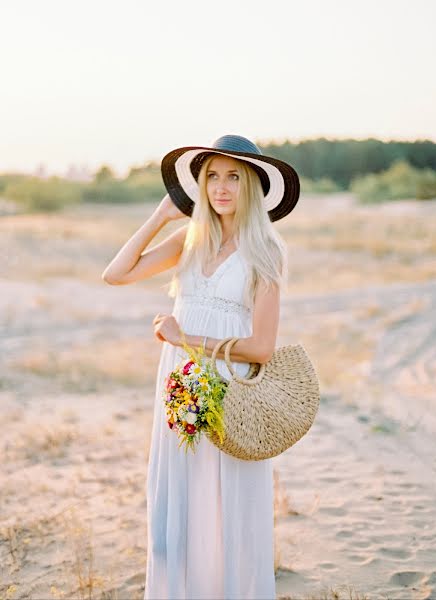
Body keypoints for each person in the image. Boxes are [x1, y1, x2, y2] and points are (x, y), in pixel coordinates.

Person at [102, 134, 301, 599]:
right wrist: (162, 214)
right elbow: (116, 274)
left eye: (234, 176)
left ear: (252, 185)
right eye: (212, 176)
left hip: (232, 394)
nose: (221, 187)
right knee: (178, 502)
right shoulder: (190, 239)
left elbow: (261, 347)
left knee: (227, 506)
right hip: (182, 385)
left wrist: (185, 336)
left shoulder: (265, 251)